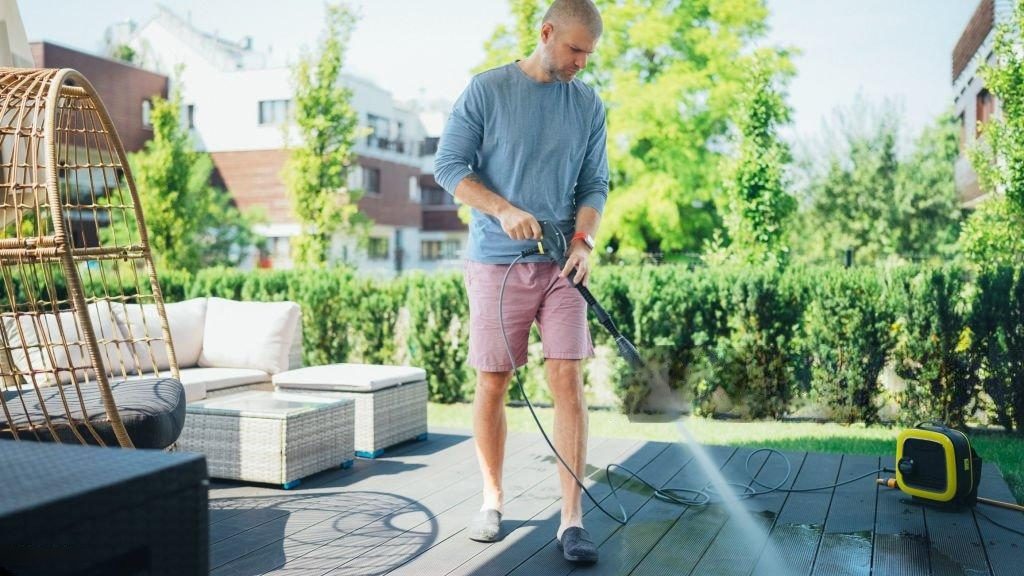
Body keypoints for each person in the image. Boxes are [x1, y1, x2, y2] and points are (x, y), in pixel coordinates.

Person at [433, 0, 608, 565]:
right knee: (493, 381)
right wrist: (503, 209)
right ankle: (491, 499)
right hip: (495, 262)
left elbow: (594, 183)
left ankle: (572, 519)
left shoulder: (588, 104)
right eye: (576, 49)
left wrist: (583, 243)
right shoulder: (486, 91)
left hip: (561, 265)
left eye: (590, 53)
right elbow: (450, 168)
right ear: (547, 32)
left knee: (567, 378)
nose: (582, 62)